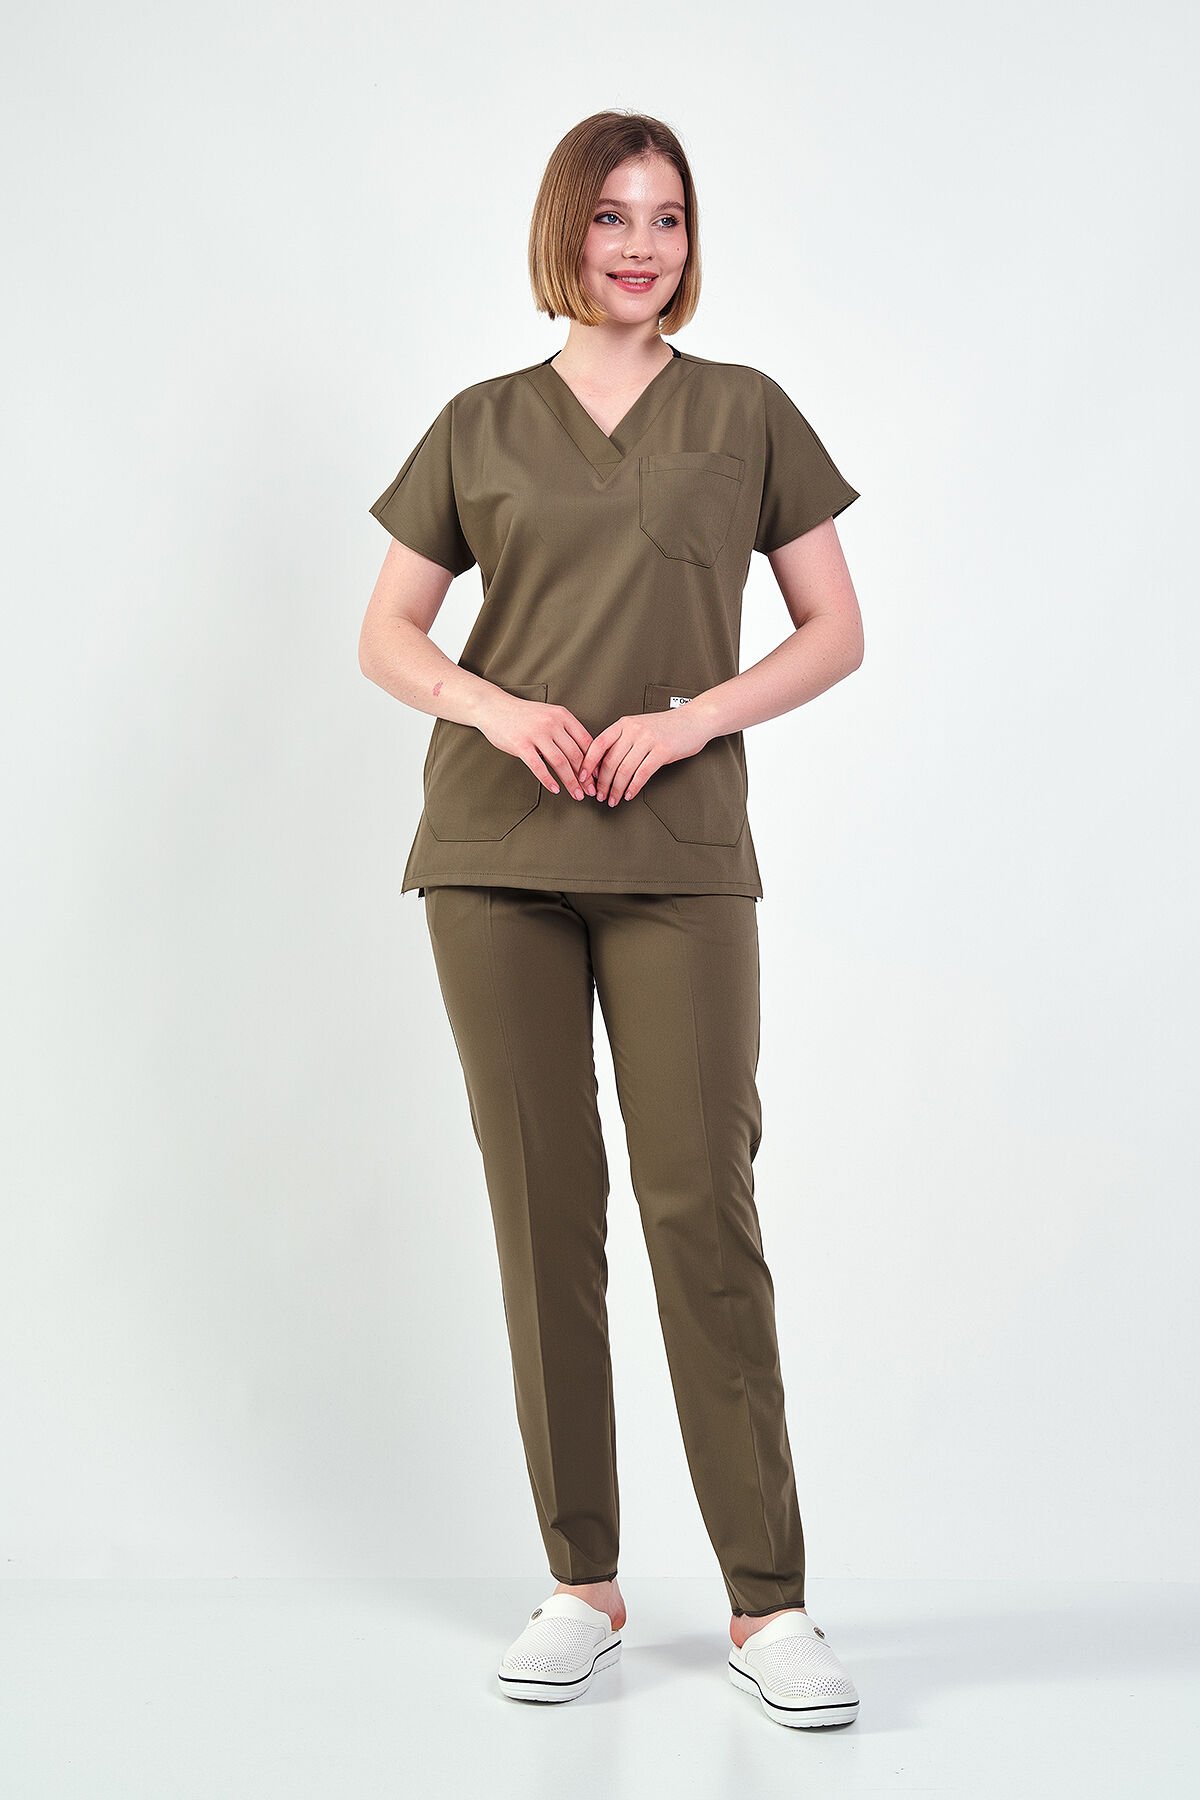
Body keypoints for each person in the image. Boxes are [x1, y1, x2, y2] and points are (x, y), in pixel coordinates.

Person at [359, 109, 865, 1730]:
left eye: (667, 218)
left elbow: (833, 628)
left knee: (700, 1203)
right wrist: (494, 708)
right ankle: (581, 1582)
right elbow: (389, 633)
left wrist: (692, 717)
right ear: (563, 232)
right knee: (543, 1210)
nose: (641, 246)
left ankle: (768, 1602)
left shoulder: (745, 412)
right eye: (611, 217)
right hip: (494, 849)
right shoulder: (479, 424)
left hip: (679, 853)